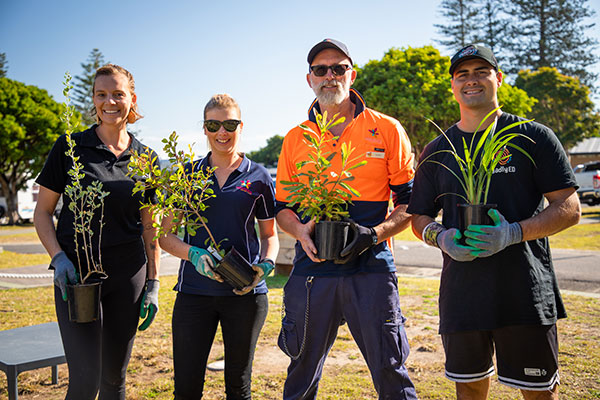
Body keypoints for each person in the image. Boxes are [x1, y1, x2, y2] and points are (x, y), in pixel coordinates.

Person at [407, 44, 581, 400]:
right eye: (462, 74)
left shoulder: (533, 137)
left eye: (481, 72)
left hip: (525, 293)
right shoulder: (437, 150)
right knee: (469, 388)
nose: (471, 80)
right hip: (462, 295)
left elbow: (569, 207)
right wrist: (440, 237)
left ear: (498, 79)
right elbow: (419, 216)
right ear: (452, 86)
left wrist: (513, 233)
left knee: (538, 392)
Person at [275, 38, 418, 400]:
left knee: (390, 370)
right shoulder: (296, 138)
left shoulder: (386, 129)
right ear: (309, 79)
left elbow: (409, 202)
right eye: (321, 70)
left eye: (338, 68)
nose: (330, 76)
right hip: (311, 272)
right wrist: (300, 230)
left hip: (371, 269)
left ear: (351, 75)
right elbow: (283, 208)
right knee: (301, 372)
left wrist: (374, 234)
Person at [34, 64, 161, 399]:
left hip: (129, 277)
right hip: (78, 277)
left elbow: (150, 226)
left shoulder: (146, 158)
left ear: (132, 99)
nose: (110, 101)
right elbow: (43, 212)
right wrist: (58, 258)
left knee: (114, 380)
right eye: (101, 94)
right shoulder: (71, 149)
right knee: (86, 380)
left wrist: (153, 282)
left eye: (118, 94)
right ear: (93, 100)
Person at [159, 94, 279, 400]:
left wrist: (265, 265)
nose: (222, 132)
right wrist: (192, 253)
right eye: (214, 124)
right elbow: (165, 235)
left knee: (238, 386)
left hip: (245, 295)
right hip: (194, 295)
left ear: (241, 126)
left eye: (230, 123)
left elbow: (269, 236)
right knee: (186, 389)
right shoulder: (186, 176)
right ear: (204, 129)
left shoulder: (260, 177)